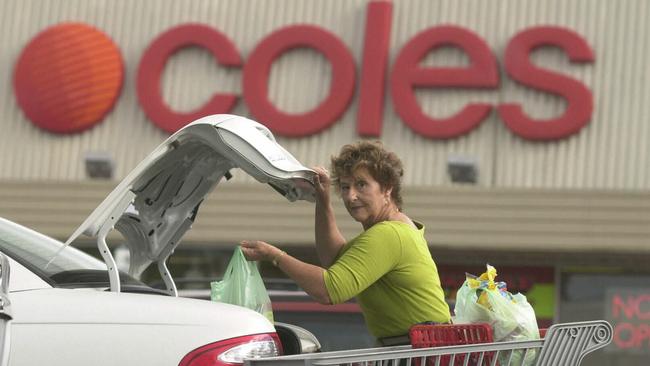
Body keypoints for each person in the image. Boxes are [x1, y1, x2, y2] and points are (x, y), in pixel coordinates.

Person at [241, 141, 450, 345]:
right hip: (417, 350)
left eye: (361, 184)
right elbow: (334, 257)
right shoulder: (395, 229)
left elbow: (329, 289)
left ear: (387, 189)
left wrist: (274, 256)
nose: (351, 196)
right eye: (344, 186)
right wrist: (323, 201)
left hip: (421, 354)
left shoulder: (389, 234)